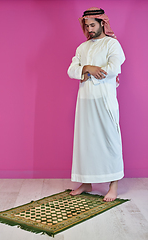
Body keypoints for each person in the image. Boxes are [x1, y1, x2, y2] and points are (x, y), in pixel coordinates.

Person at [67, 7, 125, 202]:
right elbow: (71, 69)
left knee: (110, 140)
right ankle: (86, 182)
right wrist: (86, 68)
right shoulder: (82, 48)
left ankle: (113, 184)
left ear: (103, 23)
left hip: (105, 100)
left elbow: (114, 67)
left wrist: (88, 71)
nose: (89, 29)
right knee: (85, 142)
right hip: (84, 101)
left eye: (93, 25)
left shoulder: (112, 44)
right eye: (87, 25)